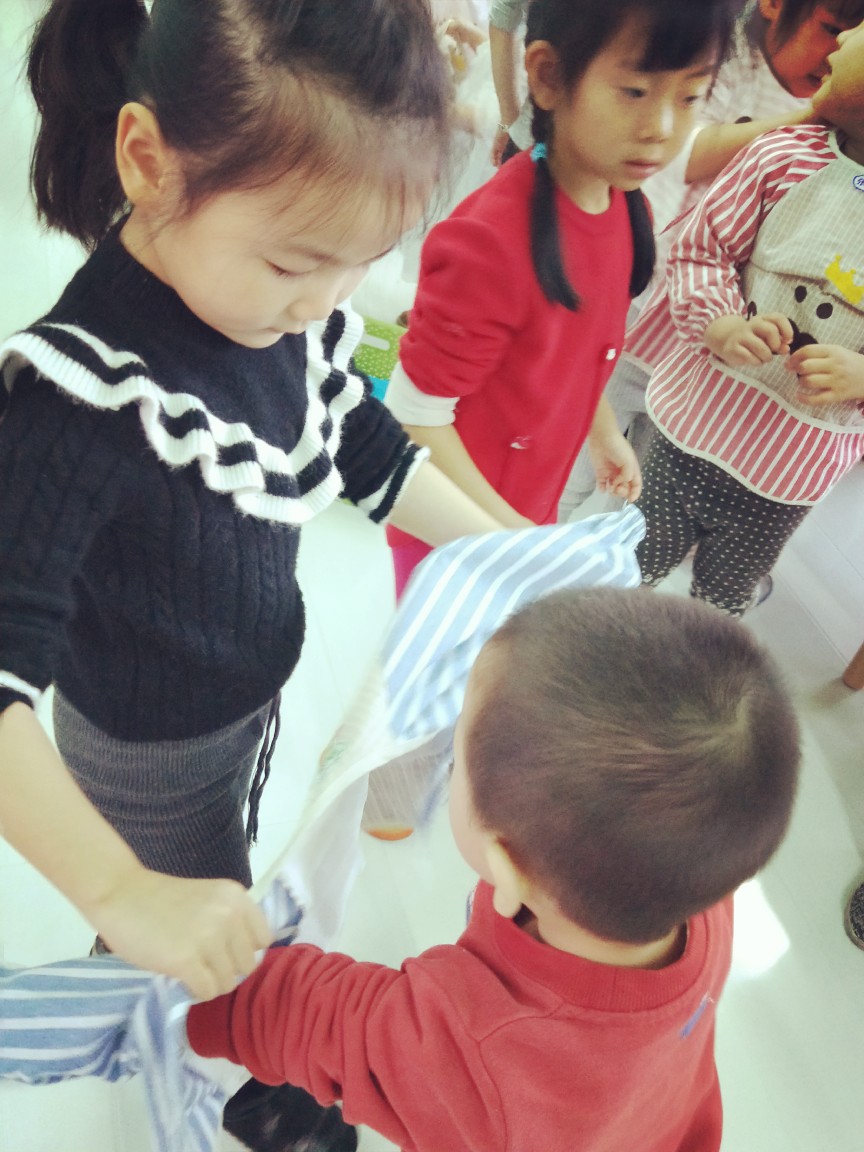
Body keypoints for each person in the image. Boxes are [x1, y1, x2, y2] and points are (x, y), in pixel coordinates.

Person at [0, 0, 508, 1146]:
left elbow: (363, 447)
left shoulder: (281, 315)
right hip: (147, 746)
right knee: (206, 903)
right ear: (148, 162)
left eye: (359, 264)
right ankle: (218, 1052)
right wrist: (120, 889)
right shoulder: (81, 401)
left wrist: (498, 546)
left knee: (208, 879)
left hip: (235, 707)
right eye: (296, 262)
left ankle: (154, 959)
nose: (326, 303)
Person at [185, 586, 801, 1152]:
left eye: (456, 761)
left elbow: (323, 1022)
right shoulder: (695, 888)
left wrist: (190, 981)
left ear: (508, 868)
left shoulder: (479, 1045)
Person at [382, 0, 740, 596]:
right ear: (548, 76)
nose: (662, 127)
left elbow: (575, 355)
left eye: (689, 97)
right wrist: (515, 538)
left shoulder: (625, 207)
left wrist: (601, 432)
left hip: (522, 516)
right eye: (634, 91)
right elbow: (414, 416)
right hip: (452, 531)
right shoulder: (490, 242)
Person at [558, 0, 864, 519]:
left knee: (630, 491)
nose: (837, 47)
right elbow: (685, 156)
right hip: (652, 301)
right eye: (830, 27)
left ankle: (594, 539)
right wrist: (817, 112)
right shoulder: (723, 59)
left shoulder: (834, 137)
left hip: (716, 359)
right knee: (583, 445)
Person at [625, 19, 864, 616]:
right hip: (692, 425)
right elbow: (703, 250)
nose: (844, 40)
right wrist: (721, 324)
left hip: (789, 472)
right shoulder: (782, 156)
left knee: (720, 602)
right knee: (630, 564)